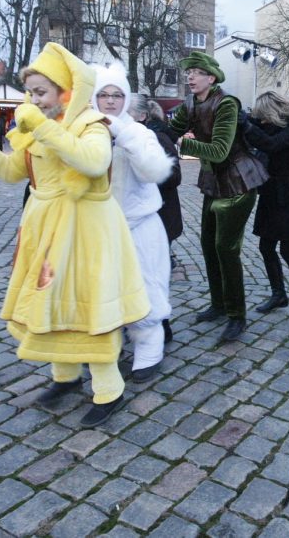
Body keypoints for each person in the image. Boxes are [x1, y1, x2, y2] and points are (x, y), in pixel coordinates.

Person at [0, 42, 150, 427]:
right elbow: (12, 172)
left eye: (40, 92)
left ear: (67, 91)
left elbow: (94, 162)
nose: (33, 100)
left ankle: (109, 389)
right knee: (51, 301)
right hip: (45, 229)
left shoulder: (91, 124)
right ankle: (65, 376)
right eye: (31, 92)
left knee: (89, 306)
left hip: (86, 233)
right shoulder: (33, 127)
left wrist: (42, 126)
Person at [168, 51, 269, 341]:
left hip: (238, 183)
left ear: (211, 78)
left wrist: (185, 145)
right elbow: (169, 130)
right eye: (188, 72)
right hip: (213, 182)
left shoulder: (226, 104)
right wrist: (144, 129)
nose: (190, 76)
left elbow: (219, 151)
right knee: (208, 246)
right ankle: (218, 304)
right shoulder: (190, 103)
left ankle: (237, 316)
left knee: (226, 248)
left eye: (196, 72)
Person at [91, 64, 174, 381]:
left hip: (138, 225)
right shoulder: (85, 130)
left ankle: (149, 347)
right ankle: (104, 346)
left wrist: (123, 135)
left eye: (116, 95)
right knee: (101, 290)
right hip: (98, 227)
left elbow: (154, 172)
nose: (110, 101)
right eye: (103, 94)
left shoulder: (139, 131)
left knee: (145, 285)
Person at [240, 91, 289, 316]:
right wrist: (246, 119)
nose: (260, 119)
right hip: (271, 194)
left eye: (262, 115)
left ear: (271, 113)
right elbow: (258, 131)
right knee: (266, 246)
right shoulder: (268, 127)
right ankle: (279, 294)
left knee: (288, 249)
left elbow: (271, 145)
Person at [129, 94, 182, 344]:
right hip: (138, 218)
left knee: (152, 276)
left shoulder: (158, 138)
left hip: (159, 217)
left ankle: (162, 328)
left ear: (141, 116)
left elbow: (173, 176)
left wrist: (147, 171)